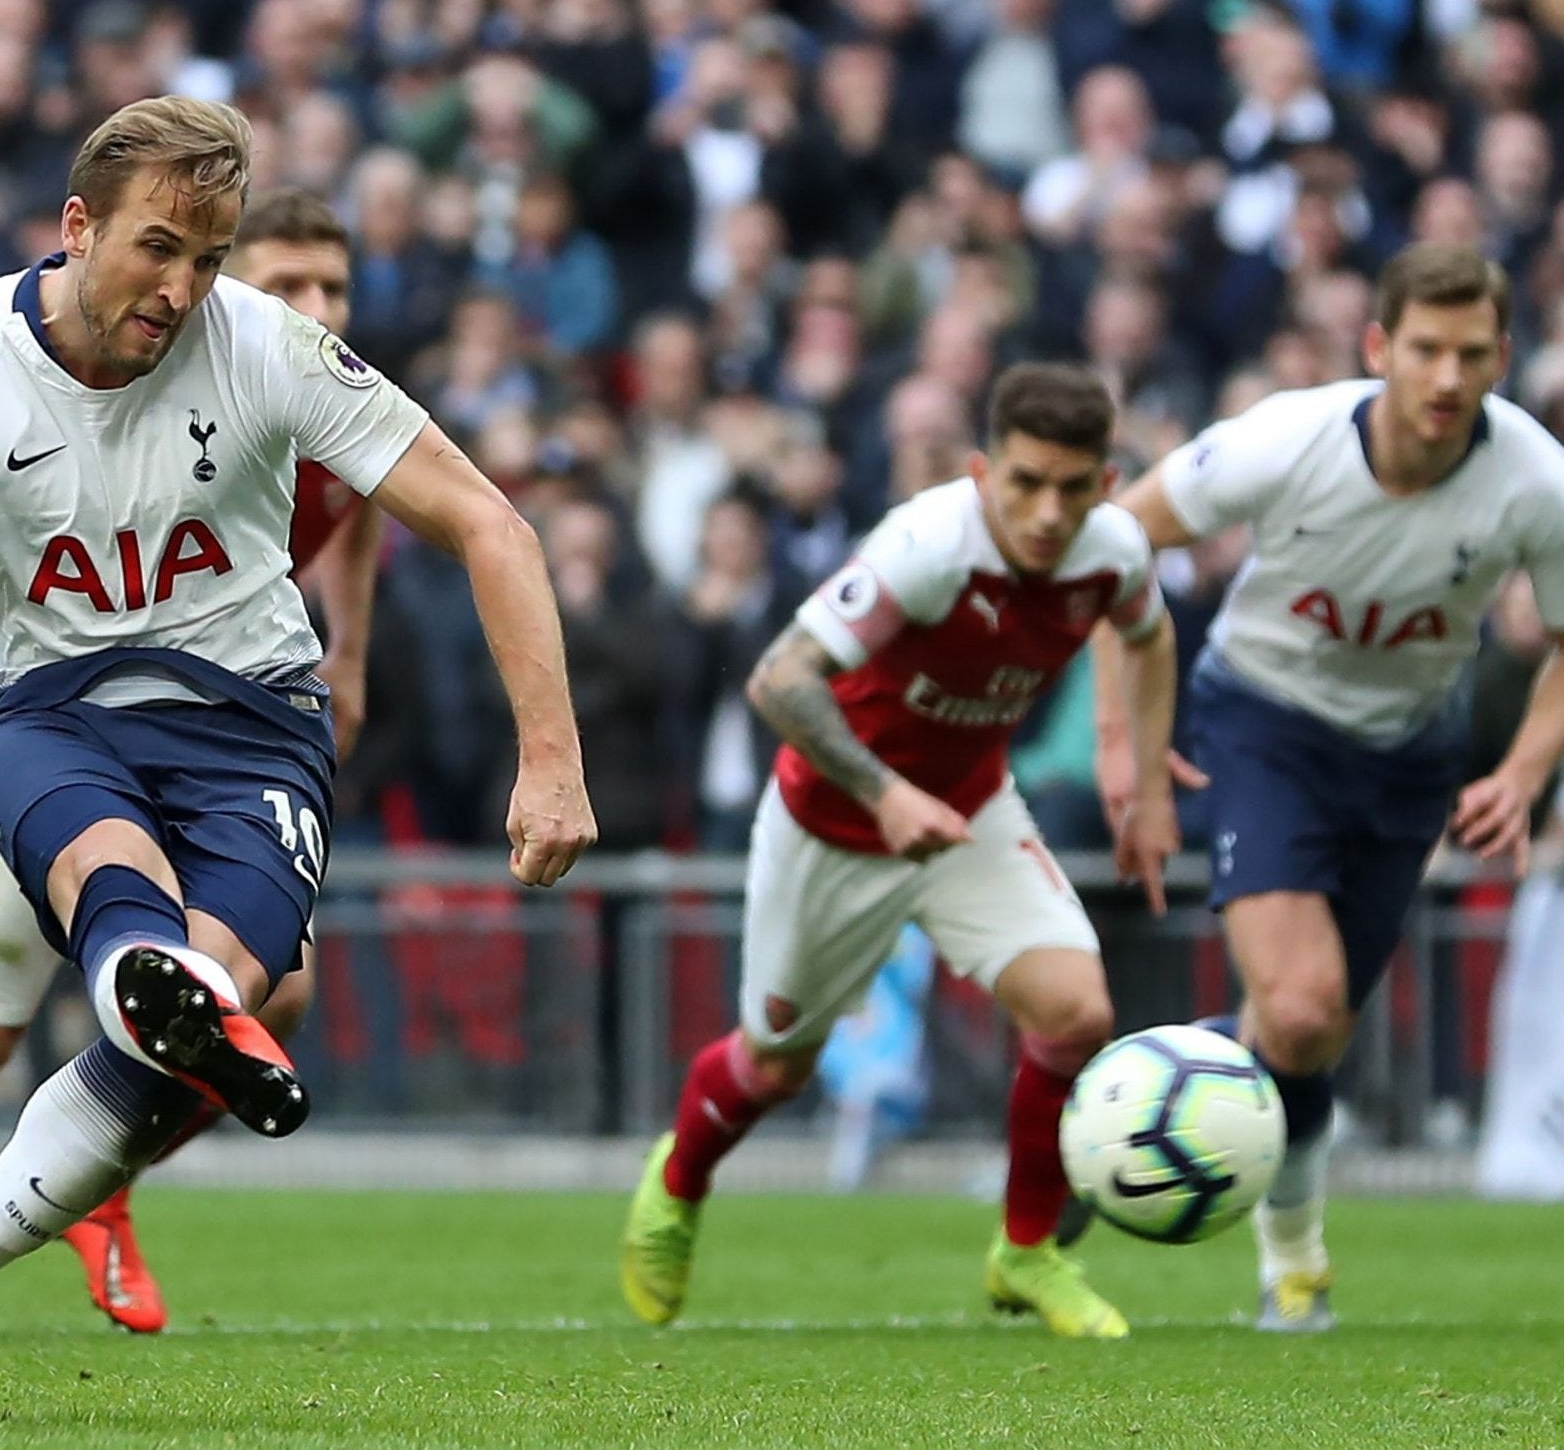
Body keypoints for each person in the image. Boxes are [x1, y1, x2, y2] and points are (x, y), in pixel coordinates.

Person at [0, 97, 596, 1425]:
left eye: (209, 254)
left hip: (252, 719)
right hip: (53, 715)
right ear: (76, 227)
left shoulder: (269, 346)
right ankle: (126, 1006)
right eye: (156, 248)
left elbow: (487, 518)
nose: (181, 287)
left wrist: (551, 759)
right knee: (106, 960)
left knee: (205, 1012)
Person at [0, 186, 384, 1337]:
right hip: (68, 727)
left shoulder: (327, 400)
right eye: (290, 281)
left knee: (270, 994)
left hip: (223, 735)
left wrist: (345, 662)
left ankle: (92, 1181)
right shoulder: (111, 375)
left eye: (334, 287)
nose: (314, 308)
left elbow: (361, 522)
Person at [619, 364, 1185, 1340]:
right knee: (773, 1067)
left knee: (1075, 1012)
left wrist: (1142, 779)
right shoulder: (928, 546)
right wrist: (883, 792)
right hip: (835, 822)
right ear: (981, 471)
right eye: (1024, 482)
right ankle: (676, 1182)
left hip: (968, 814)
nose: (1047, 511)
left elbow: (1147, 633)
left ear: (1104, 482)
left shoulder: (1112, 551)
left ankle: (1025, 1249)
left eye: (1071, 485)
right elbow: (779, 677)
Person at [1089, 243, 1564, 1331]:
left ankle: (1123, 1104)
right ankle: (1291, 1258)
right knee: (1299, 1009)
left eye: (1471, 353)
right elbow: (1118, 542)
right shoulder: (1285, 438)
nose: (1446, 378)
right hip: (1260, 722)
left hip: (1408, 750)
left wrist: (1524, 767)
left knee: (1305, 1031)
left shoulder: (1533, 479)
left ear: (1501, 355)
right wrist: (1125, 737)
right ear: (1376, 347)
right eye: (1425, 350)